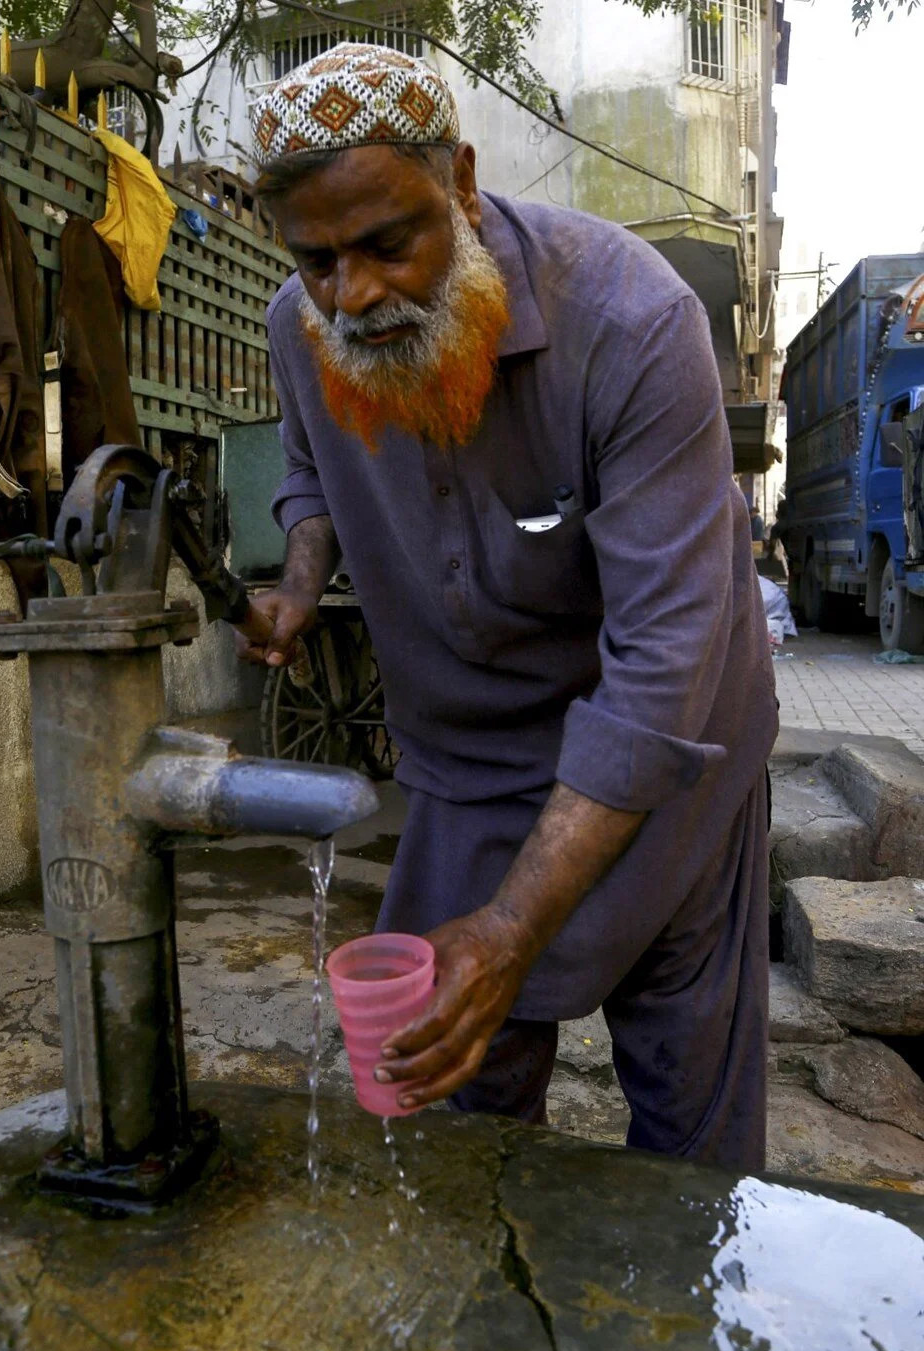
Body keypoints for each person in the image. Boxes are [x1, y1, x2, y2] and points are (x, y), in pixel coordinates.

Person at [237, 45, 778, 1169]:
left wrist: (513, 928)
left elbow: (661, 669)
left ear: (464, 186)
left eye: (391, 243)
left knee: (688, 1129)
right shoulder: (306, 324)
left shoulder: (633, 322)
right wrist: (298, 583)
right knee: (446, 1113)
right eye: (318, 260)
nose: (355, 294)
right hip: (466, 760)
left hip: (670, 754)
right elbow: (307, 466)